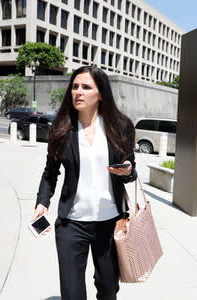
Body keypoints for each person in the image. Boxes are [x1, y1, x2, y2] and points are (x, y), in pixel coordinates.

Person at [33, 66, 137, 300]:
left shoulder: (120, 127)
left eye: (86, 87)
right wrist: (42, 202)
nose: (78, 92)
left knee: (108, 289)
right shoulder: (61, 129)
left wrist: (127, 171)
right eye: (75, 86)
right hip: (72, 224)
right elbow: (50, 173)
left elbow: (132, 171)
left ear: (101, 94)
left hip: (110, 223)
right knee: (71, 293)